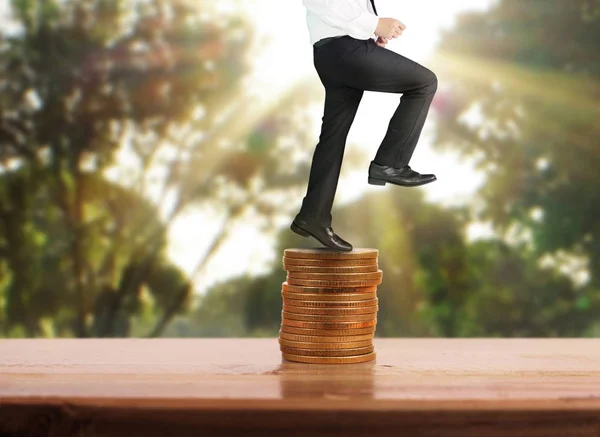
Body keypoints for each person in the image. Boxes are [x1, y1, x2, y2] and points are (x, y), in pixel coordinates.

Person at [291, 0, 438, 252]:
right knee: (424, 83)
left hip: (341, 50)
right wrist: (375, 24)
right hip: (342, 50)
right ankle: (389, 164)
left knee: (333, 137)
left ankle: (312, 216)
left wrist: (371, 32)